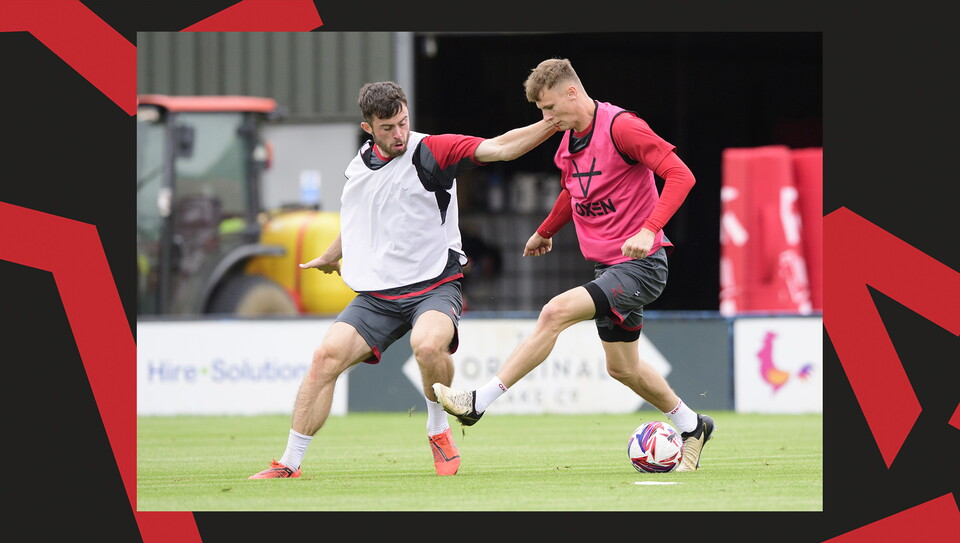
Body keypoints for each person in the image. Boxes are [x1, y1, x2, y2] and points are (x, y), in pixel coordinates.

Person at [248, 81, 558, 478]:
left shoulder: (431, 150)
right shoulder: (358, 164)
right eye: (388, 127)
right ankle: (288, 464)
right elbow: (362, 216)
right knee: (324, 358)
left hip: (434, 284)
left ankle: (438, 429)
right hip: (378, 294)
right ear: (368, 128)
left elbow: (499, 146)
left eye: (403, 122)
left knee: (427, 346)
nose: (399, 134)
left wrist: (550, 123)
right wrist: (332, 253)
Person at [433, 58, 716, 472]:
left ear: (571, 92)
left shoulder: (622, 127)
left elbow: (681, 175)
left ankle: (478, 402)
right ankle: (693, 425)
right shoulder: (567, 144)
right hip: (610, 269)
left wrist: (649, 228)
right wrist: (545, 230)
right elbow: (574, 190)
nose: (546, 119)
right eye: (541, 112)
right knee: (623, 368)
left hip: (642, 264)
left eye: (549, 109)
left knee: (555, 312)